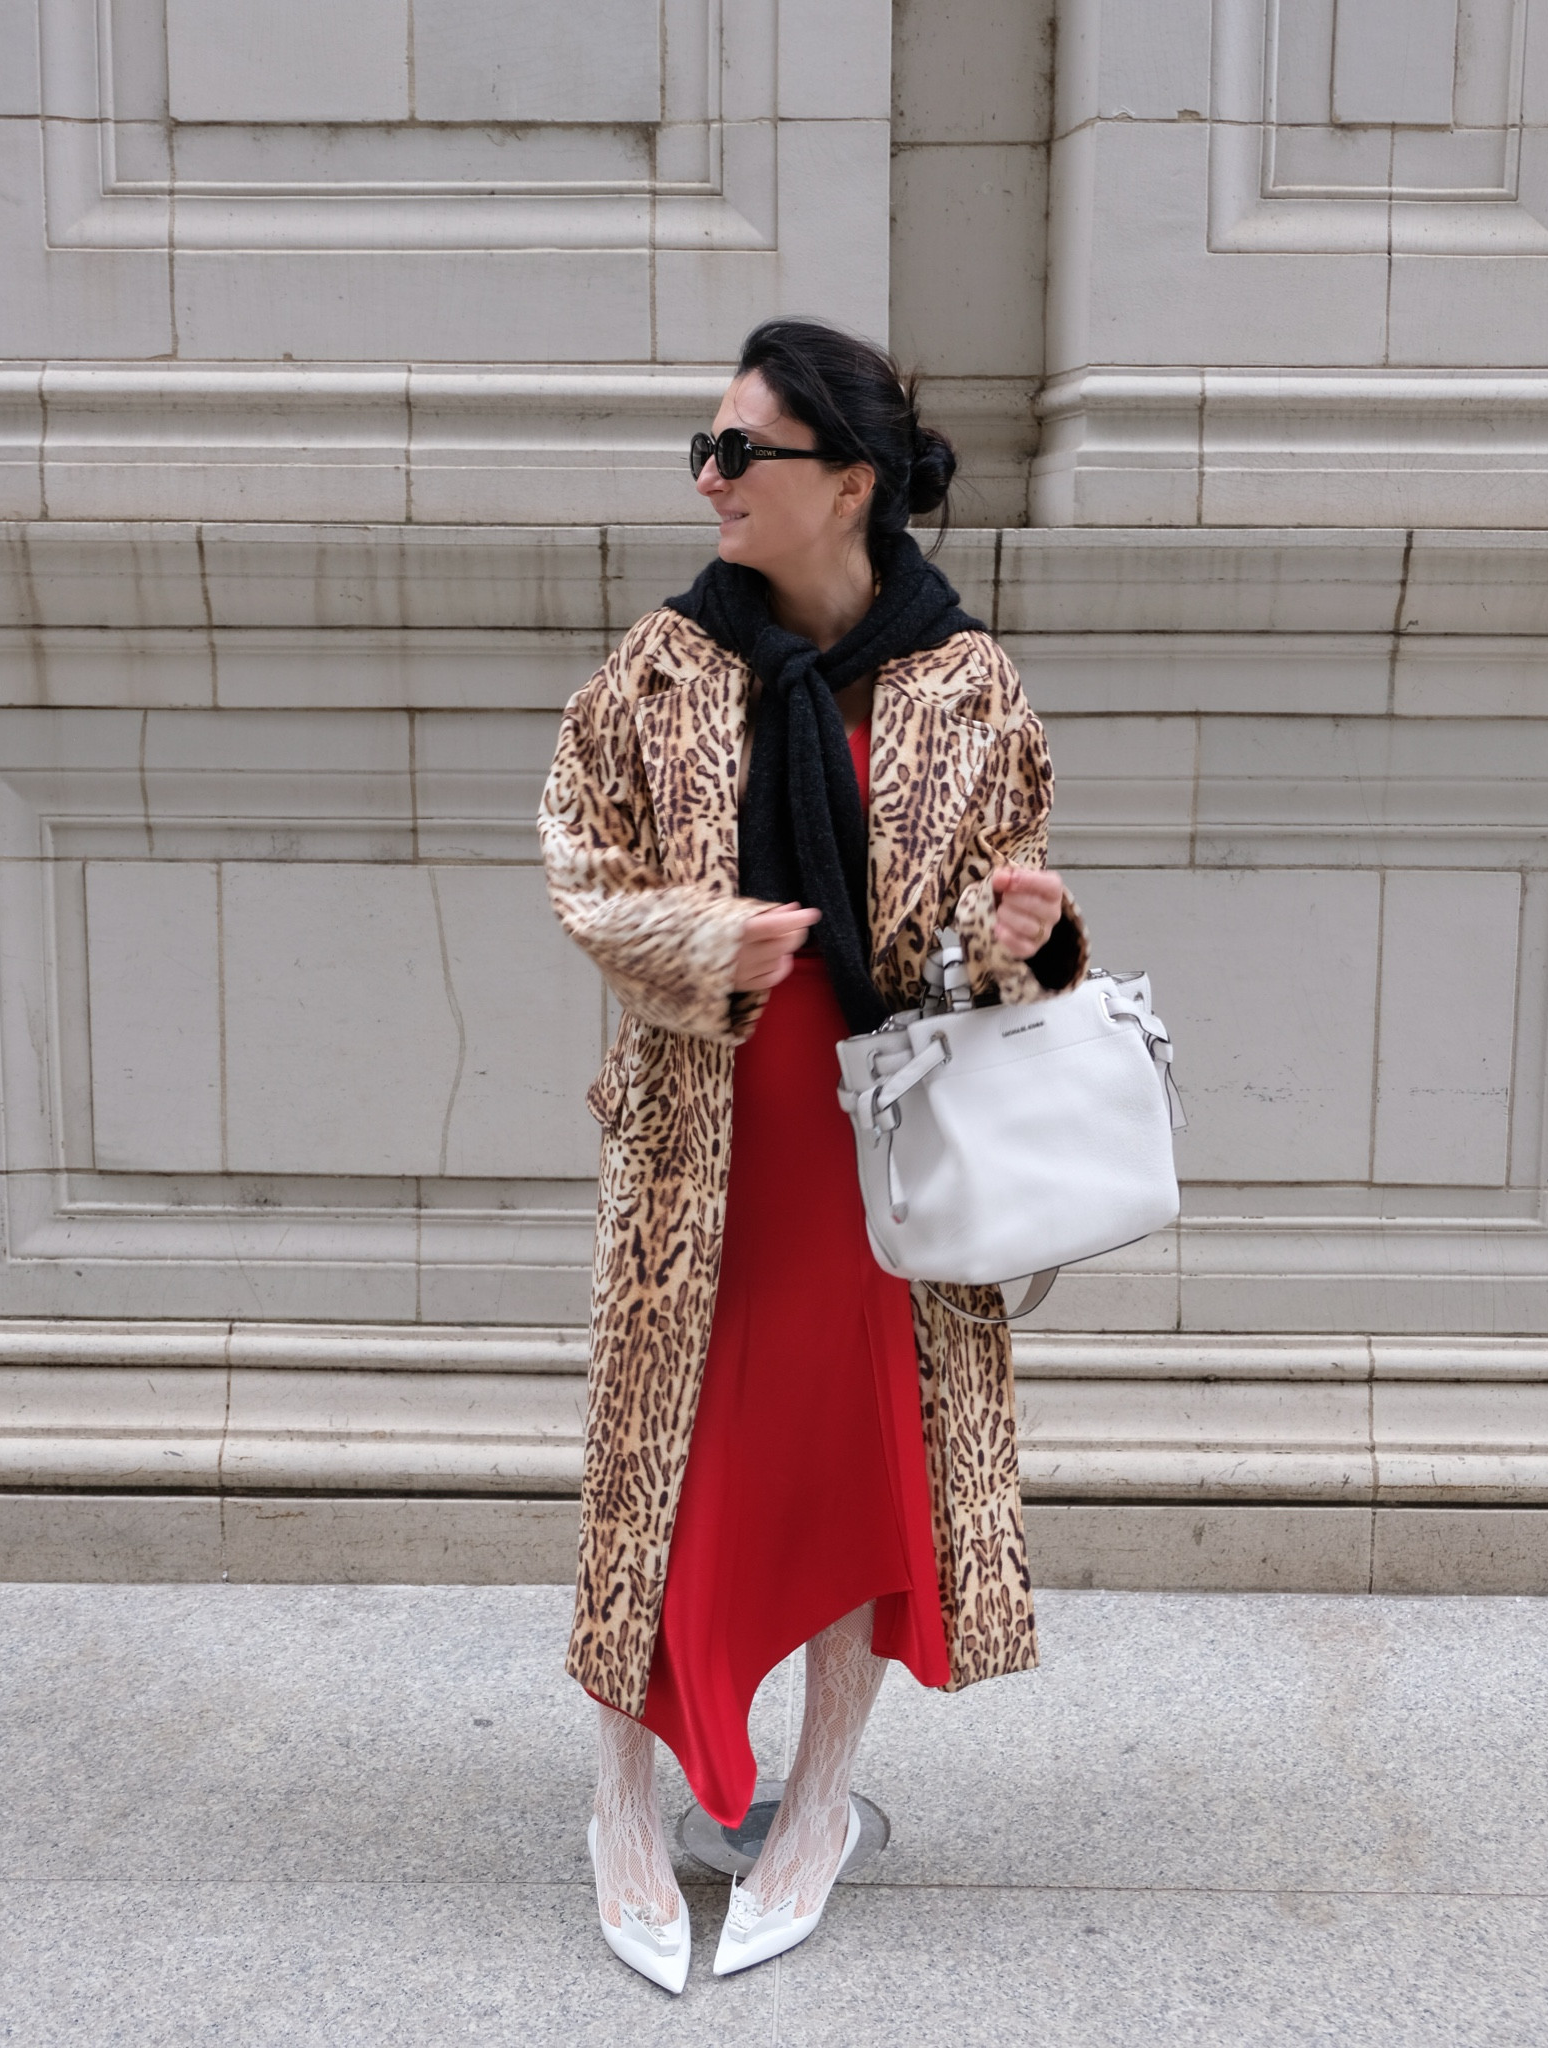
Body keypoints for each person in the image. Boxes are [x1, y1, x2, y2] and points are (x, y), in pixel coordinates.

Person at [539, 316, 1087, 1993]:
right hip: (701, 1151)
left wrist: (1025, 938)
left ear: (850, 482)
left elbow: (980, 947)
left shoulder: (969, 684)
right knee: (663, 1474)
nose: (708, 480)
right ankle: (621, 1807)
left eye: (739, 452)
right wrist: (701, 940)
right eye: (704, 449)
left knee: (859, 1467)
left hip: (883, 1160)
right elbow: (580, 869)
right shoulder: (660, 667)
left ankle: (820, 1801)